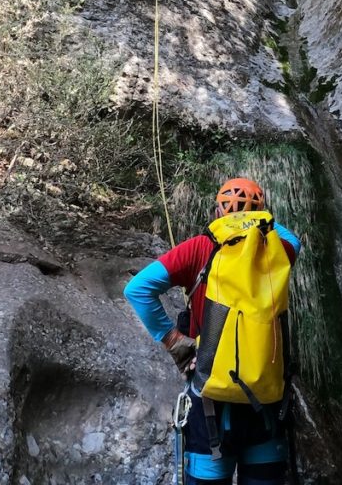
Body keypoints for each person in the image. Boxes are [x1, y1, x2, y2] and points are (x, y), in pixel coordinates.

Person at [124, 178, 302, 485]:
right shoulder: (282, 249)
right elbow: (289, 234)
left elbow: (137, 289)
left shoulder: (199, 248)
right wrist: (257, 217)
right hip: (268, 404)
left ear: (218, 210)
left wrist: (174, 340)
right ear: (262, 210)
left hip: (210, 406)